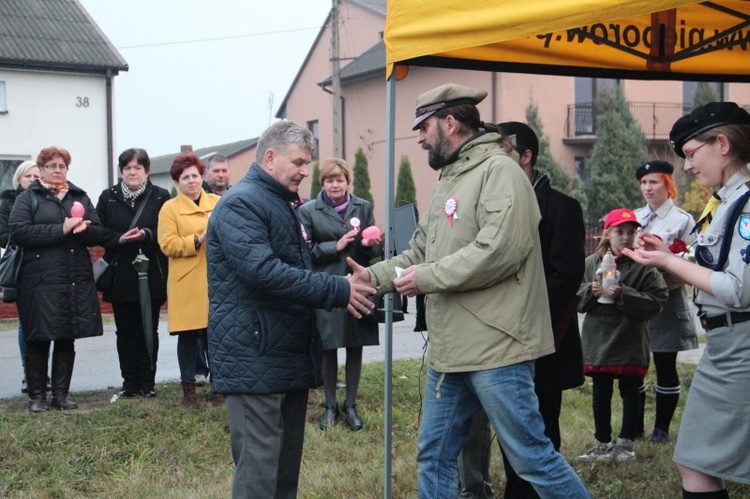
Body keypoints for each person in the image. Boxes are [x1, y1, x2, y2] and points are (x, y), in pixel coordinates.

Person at [347, 83, 590, 498]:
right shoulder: (451, 178)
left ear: (450, 122)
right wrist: (374, 277)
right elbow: (421, 249)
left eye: (423, 127)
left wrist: (427, 277)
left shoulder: (501, 172)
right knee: (435, 455)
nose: (419, 138)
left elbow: (499, 251)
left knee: (531, 456)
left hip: (497, 348)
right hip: (451, 351)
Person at [206, 120, 375, 498]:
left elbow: (297, 270)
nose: (304, 171)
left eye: (307, 163)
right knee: (258, 473)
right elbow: (263, 271)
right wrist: (337, 290)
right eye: (298, 162)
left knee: (283, 473)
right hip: (254, 356)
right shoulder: (242, 203)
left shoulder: (281, 202)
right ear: (270, 157)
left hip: (283, 354)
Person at [624, 101, 750, 498]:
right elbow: (717, 261)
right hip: (729, 342)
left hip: (738, 345)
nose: (689, 166)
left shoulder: (744, 204)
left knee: (695, 461)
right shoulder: (731, 199)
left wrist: (667, 261)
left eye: (692, 153)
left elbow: (737, 289)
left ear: (723, 143)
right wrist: (674, 255)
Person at [457, 122, 586, 499]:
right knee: (510, 433)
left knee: (541, 432)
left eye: (503, 153)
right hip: (496, 340)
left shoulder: (562, 207)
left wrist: (514, 308)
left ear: (526, 156)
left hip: (545, 338)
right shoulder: (488, 205)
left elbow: (566, 278)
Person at [9, 146, 106, 413]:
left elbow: (99, 233)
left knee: (66, 335)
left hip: (72, 278)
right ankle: (37, 396)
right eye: (51, 165)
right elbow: (19, 232)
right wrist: (60, 229)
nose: (57, 170)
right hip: (37, 280)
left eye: (62, 166)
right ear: (40, 170)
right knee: (37, 336)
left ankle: (61, 395)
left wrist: (85, 229)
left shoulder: (79, 196)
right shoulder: (28, 198)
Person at [576, 208, 668, 462]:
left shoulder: (643, 266)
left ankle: (625, 443)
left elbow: (658, 299)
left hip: (630, 338)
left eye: (631, 232)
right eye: (620, 232)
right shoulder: (590, 264)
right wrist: (590, 291)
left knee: (631, 390)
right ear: (607, 234)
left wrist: (623, 294)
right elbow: (575, 299)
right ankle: (602, 443)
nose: (626, 237)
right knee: (601, 392)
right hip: (599, 339)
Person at [298, 157, 382, 431]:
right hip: (326, 286)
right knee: (328, 347)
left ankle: (351, 406)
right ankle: (330, 407)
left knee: (355, 344)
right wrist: (335, 245)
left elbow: (371, 253)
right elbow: (305, 252)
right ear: (322, 183)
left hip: (358, 284)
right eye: (330, 180)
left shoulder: (363, 206)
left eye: (340, 180)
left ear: (348, 181)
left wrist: (369, 246)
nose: (335, 185)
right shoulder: (309, 211)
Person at [633, 160, 699, 444]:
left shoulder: (682, 220)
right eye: (644, 183)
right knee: (634, 366)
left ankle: (660, 430)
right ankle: (633, 427)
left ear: (668, 185)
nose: (648, 188)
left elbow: (695, 261)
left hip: (668, 301)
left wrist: (671, 270)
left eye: (654, 182)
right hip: (636, 301)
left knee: (665, 365)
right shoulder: (633, 217)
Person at [96, 148, 171, 399]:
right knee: (125, 332)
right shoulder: (108, 197)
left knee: (148, 329)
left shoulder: (160, 196)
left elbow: (167, 230)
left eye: (137, 168)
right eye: (127, 168)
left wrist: (147, 235)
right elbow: (98, 231)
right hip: (120, 275)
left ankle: (148, 382)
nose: (132, 172)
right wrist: (119, 238)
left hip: (151, 273)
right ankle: (129, 383)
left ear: (146, 171)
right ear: (121, 171)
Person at [157, 152, 221, 409]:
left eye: (195, 175)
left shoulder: (218, 202)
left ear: (202, 177)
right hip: (185, 282)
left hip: (214, 279)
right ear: (176, 182)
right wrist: (197, 239)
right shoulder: (169, 208)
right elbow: (166, 244)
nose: (192, 181)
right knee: (188, 337)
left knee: (217, 335)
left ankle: (220, 387)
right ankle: (189, 391)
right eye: (185, 177)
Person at [0, 160, 41, 394]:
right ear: (18, 179)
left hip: (45, 268)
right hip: (22, 268)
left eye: (37, 176)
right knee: (26, 324)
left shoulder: (48, 200)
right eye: (29, 177)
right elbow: (3, 234)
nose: (34, 181)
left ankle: (43, 375)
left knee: (46, 324)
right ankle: (30, 375)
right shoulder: (8, 203)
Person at [195, 154, 231, 384]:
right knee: (200, 323)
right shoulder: (198, 198)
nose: (220, 175)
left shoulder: (238, 195)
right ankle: (200, 369)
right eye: (216, 171)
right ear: (206, 173)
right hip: (201, 267)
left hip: (229, 268)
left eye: (224, 170)